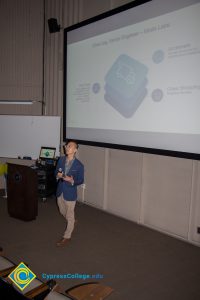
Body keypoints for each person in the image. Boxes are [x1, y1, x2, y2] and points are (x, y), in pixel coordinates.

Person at [55, 140, 84, 247]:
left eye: (70, 146)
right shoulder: (61, 160)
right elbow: (56, 172)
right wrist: (58, 175)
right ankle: (72, 221)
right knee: (62, 211)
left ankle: (67, 236)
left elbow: (80, 180)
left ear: (75, 150)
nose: (67, 147)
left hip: (70, 193)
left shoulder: (79, 165)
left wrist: (71, 180)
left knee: (70, 215)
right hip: (60, 191)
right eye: (67, 146)